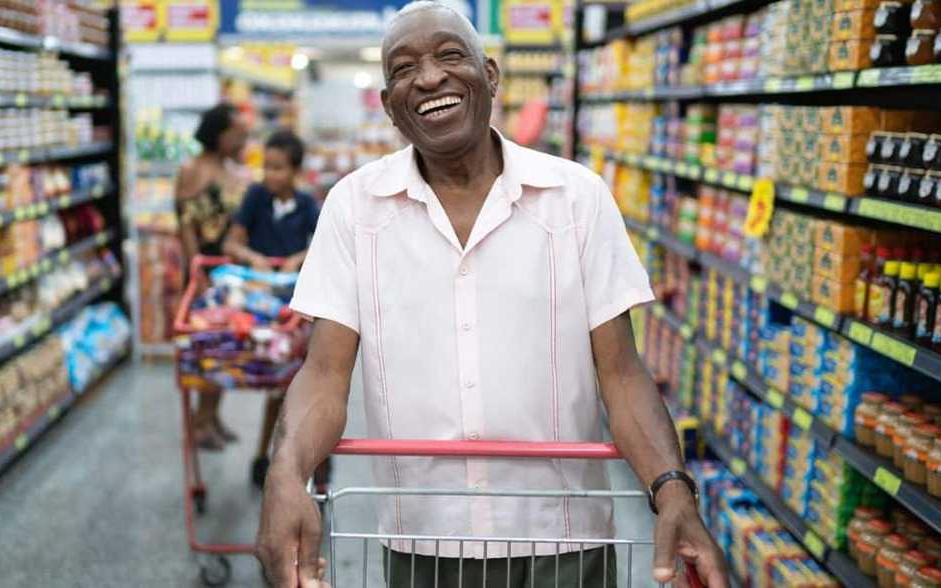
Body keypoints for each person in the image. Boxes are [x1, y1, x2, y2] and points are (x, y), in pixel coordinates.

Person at [255, 2, 731, 587]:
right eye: (404, 68)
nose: (429, 77)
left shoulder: (575, 199)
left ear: (492, 75)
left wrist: (673, 488)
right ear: (389, 105)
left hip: (567, 540)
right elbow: (325, 375)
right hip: (423, 542)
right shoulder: (354, 208)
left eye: (450, 55)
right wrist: (285, 474)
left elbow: (622, 375)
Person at [223, 130, 320, 487]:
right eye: (267, 167)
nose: (270, 175)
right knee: (277, 389)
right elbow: (231, 243)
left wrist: (298, 257)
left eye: (278, 168)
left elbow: (324, 244)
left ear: (295, 170)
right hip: (261, 308)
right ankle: (265, 456)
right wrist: (254, 259)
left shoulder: (308, 205)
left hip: (295, 309)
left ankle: (301, 463)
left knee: (295, 390)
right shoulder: (255, 198)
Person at [176, 102, 251, 450]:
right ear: (217, 133)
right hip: (205, 274)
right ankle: (200, 423)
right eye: (235, 132)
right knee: (208, 351)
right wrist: (197, 275)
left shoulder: (234, 169)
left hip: (230, 274)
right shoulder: (193, 169)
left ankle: (212, 417)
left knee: (225, 349)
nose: (242, 138)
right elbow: (186, 223)